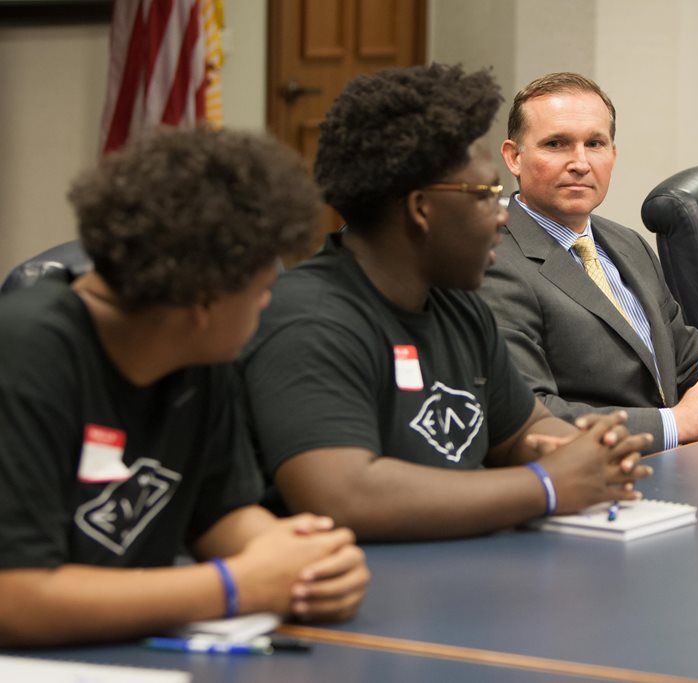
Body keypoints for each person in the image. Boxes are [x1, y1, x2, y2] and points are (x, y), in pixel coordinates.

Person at [240, 64, 651, 542]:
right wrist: (545, 485)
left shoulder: (459, 305)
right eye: (484, 196)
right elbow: (345, 496)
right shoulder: (309, 319)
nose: (501, 217)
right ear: (420, 209)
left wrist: (590, 450)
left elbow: (524, 431)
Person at [0, 129, 369, 648]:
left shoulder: (200, 356)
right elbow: (15, 599)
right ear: (203, 299)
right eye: (262, 289)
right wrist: (232, 586)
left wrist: (307, 562)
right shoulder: (25, 352)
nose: (268, 304)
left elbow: (222, 515)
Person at [477, 72, 698, 455]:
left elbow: (688, 362)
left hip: (686, 461)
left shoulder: (628, 244)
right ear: (514, 157)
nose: (580, 162)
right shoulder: (492, 259)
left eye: (595, 143)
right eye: (557, 144)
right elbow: (527, 413)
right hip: (591, 476)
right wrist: (677, 424)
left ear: (613, 155)